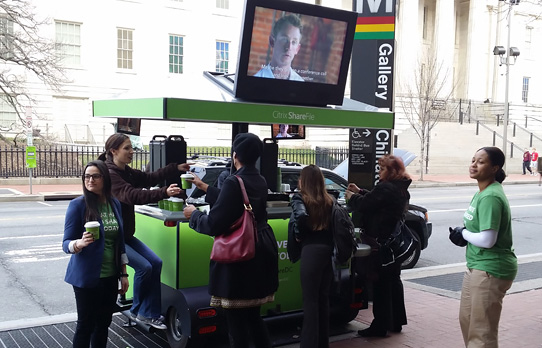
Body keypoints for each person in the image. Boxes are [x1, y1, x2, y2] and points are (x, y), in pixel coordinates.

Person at [183, 133, 279, 348]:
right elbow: (237, 203)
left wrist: (194, 215)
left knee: (236, 323)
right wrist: (204, 186)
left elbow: (214, 224)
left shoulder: (234, 181)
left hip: (240, 261)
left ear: (235, 155)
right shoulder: (259, 179)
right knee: (254, 318)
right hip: (260, 252)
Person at [98, 133, 190, 330]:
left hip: (126, 235)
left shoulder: (125, 171)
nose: (132, 152)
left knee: (155, 263)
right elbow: (132, 195)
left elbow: (149, 178)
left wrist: (174, 168)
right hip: (112, 238)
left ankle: (149, 313)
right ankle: (139, 312)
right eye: (127, 148)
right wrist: (164, 192)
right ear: (113, 151)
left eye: (131, 148)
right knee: (144, 268)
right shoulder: (110, 174)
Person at [448, 146, 517, 348]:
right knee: (467, 321)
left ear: (495, 168)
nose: (473, 165)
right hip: (477, 266)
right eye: (473, 160)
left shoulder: (491, 197)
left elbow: (488, 240)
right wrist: (464, 234)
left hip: (490, 269)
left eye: (481, 161)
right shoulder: (482, 192)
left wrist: (464, 234)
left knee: (482, 331)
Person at [62, 160, 129, 348]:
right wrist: (80, 243)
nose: (90, 180)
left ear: (105, 178)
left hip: (110, 276)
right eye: (87, 176)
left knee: (103, 325)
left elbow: (119, 243)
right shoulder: (78, 205)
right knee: (85, 325)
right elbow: (65, 244)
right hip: (86, 277)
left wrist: (123, 274)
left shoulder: (114, 203)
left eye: (95, 176)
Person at [345, 154, 410, 337]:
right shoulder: (400, 187)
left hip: (380, 242)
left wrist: (352, 197)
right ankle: (396, 321)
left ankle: (380, 325)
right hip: (392, 244)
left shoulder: (387, 188)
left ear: (392, 172)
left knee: (380, 284)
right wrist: (361, 191)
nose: (379, 172)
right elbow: (376, 201)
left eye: (382, 169)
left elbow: (366, 205)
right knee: (394, 282)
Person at [288, 164, 334, 348]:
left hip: (311, 251)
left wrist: (299, 234)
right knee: (322, 299)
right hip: (327, 250)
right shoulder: (329, 200)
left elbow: (299, 216)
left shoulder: (300, 198)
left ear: (304, 181)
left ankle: (308, 344)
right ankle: (323, 343)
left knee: (310, 301)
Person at [254, 14, 304, 81]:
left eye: (294, 42)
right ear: (272, 41)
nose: (289, 47)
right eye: (285, 39)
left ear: (297, 49)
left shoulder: (300, 83)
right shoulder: (256, 80)